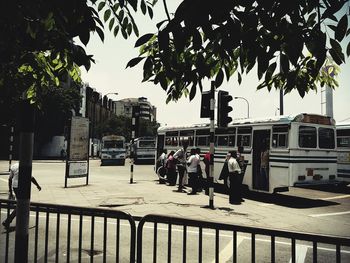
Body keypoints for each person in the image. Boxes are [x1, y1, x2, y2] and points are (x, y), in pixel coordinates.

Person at [2, 162, 42, 229]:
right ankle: (8, 221)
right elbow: (31, 177)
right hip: (22, 186)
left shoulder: (14, 166)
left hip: (15, 186)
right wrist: (37, 185)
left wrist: (10, 191)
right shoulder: (26, 165)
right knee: (22, 204)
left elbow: (9, 179)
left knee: (20, 203)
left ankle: (18, 220)